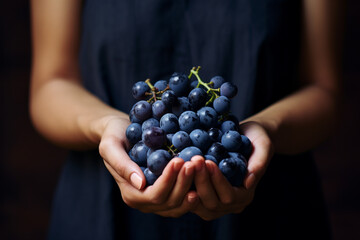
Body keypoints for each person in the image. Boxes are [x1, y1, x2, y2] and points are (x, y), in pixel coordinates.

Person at [30, 0, 343, 239]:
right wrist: (106, 126)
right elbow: (51, 85)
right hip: (100, 210)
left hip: (270, 208)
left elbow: (323, 90)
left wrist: (264, 129)